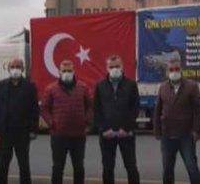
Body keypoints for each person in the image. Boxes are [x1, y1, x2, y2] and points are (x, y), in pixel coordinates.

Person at [40, 60, 92, 184]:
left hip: (78, 136)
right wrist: (51, 123)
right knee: (58, 168)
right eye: (64, 71)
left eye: (69, 71)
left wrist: (87, 121)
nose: (67, 73)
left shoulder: (83, 87)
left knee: (79, 167)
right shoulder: (51, 89)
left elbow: (90, 106)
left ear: (74, 72)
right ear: (59, 72)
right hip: (59, 136)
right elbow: (44, 108)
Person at [0, 58, 40, 184]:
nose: (15, 69)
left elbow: (35, 110)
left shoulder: (30, 87)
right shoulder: (1, 86)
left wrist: (33, 129)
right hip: (4, 134)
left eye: (18, 66)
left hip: (22, 134)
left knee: (24, 166)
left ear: (22, 69)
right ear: (8, 69)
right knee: (2, 166)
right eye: (13, 66)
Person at [153, 58, 200, 184]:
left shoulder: (191, 86)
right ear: (167, 72)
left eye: (176, 69)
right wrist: (157, 131)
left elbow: (198, 110)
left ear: (181, 70)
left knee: (192, 167)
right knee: (167, 169)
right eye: (171, 69)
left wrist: (196, 130)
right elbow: (158, 110)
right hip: (167, 135)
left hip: (186, 135)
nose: (174, 72)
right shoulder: (162, 87)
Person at [94, 55, 141, 184]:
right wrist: (104, 129)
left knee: (131, 166)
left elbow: (135, 108)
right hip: (107, 135)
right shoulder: (100, 86)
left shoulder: (131, 85)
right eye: (111, 66)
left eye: (117, 66)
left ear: (122, 67)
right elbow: (97, 110)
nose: (114, 69)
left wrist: (125, 128)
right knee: (108, 168)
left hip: (126, 134)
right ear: (107, 68)